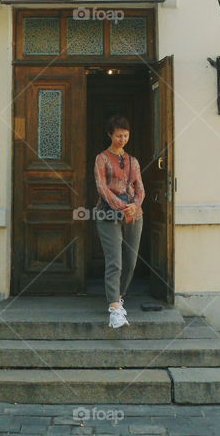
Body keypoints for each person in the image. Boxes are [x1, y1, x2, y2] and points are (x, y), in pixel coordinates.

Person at [92, 114, 145, 328]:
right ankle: (114, 308)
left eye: (125, 135)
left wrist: (135, 205)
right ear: (109, 135)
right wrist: (120, 207)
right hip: (108, 213)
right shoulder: (102, 158)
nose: (122, 139)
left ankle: (119, 296)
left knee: (130, 261)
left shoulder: (133, 161)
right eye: (118, 136)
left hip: (134, 214)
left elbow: (139, 187)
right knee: (115, 261)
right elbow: (102, 187)